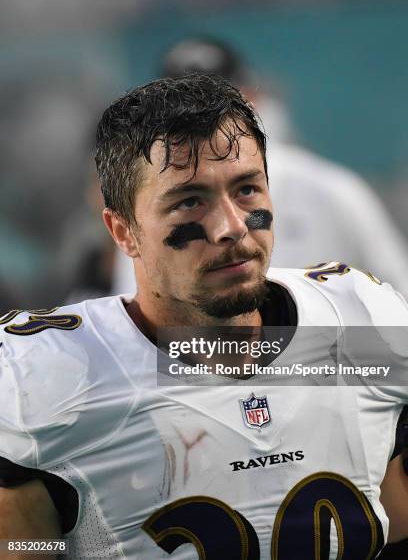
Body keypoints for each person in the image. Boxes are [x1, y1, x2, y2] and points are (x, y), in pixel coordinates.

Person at [0, 73, 408, 559]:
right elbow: (24, 546)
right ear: (123, 231)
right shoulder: (47, 379)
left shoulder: (357, 322)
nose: (232, 228)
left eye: (247, 190)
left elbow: (394, 525)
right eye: (190, 200)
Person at [111, 37, 408, 299]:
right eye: (184, 107)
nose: (201, 121)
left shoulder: (330, 189)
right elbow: (139, 318)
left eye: (218, 104)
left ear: (252, 99)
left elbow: (398, 295)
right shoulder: (151, 208)